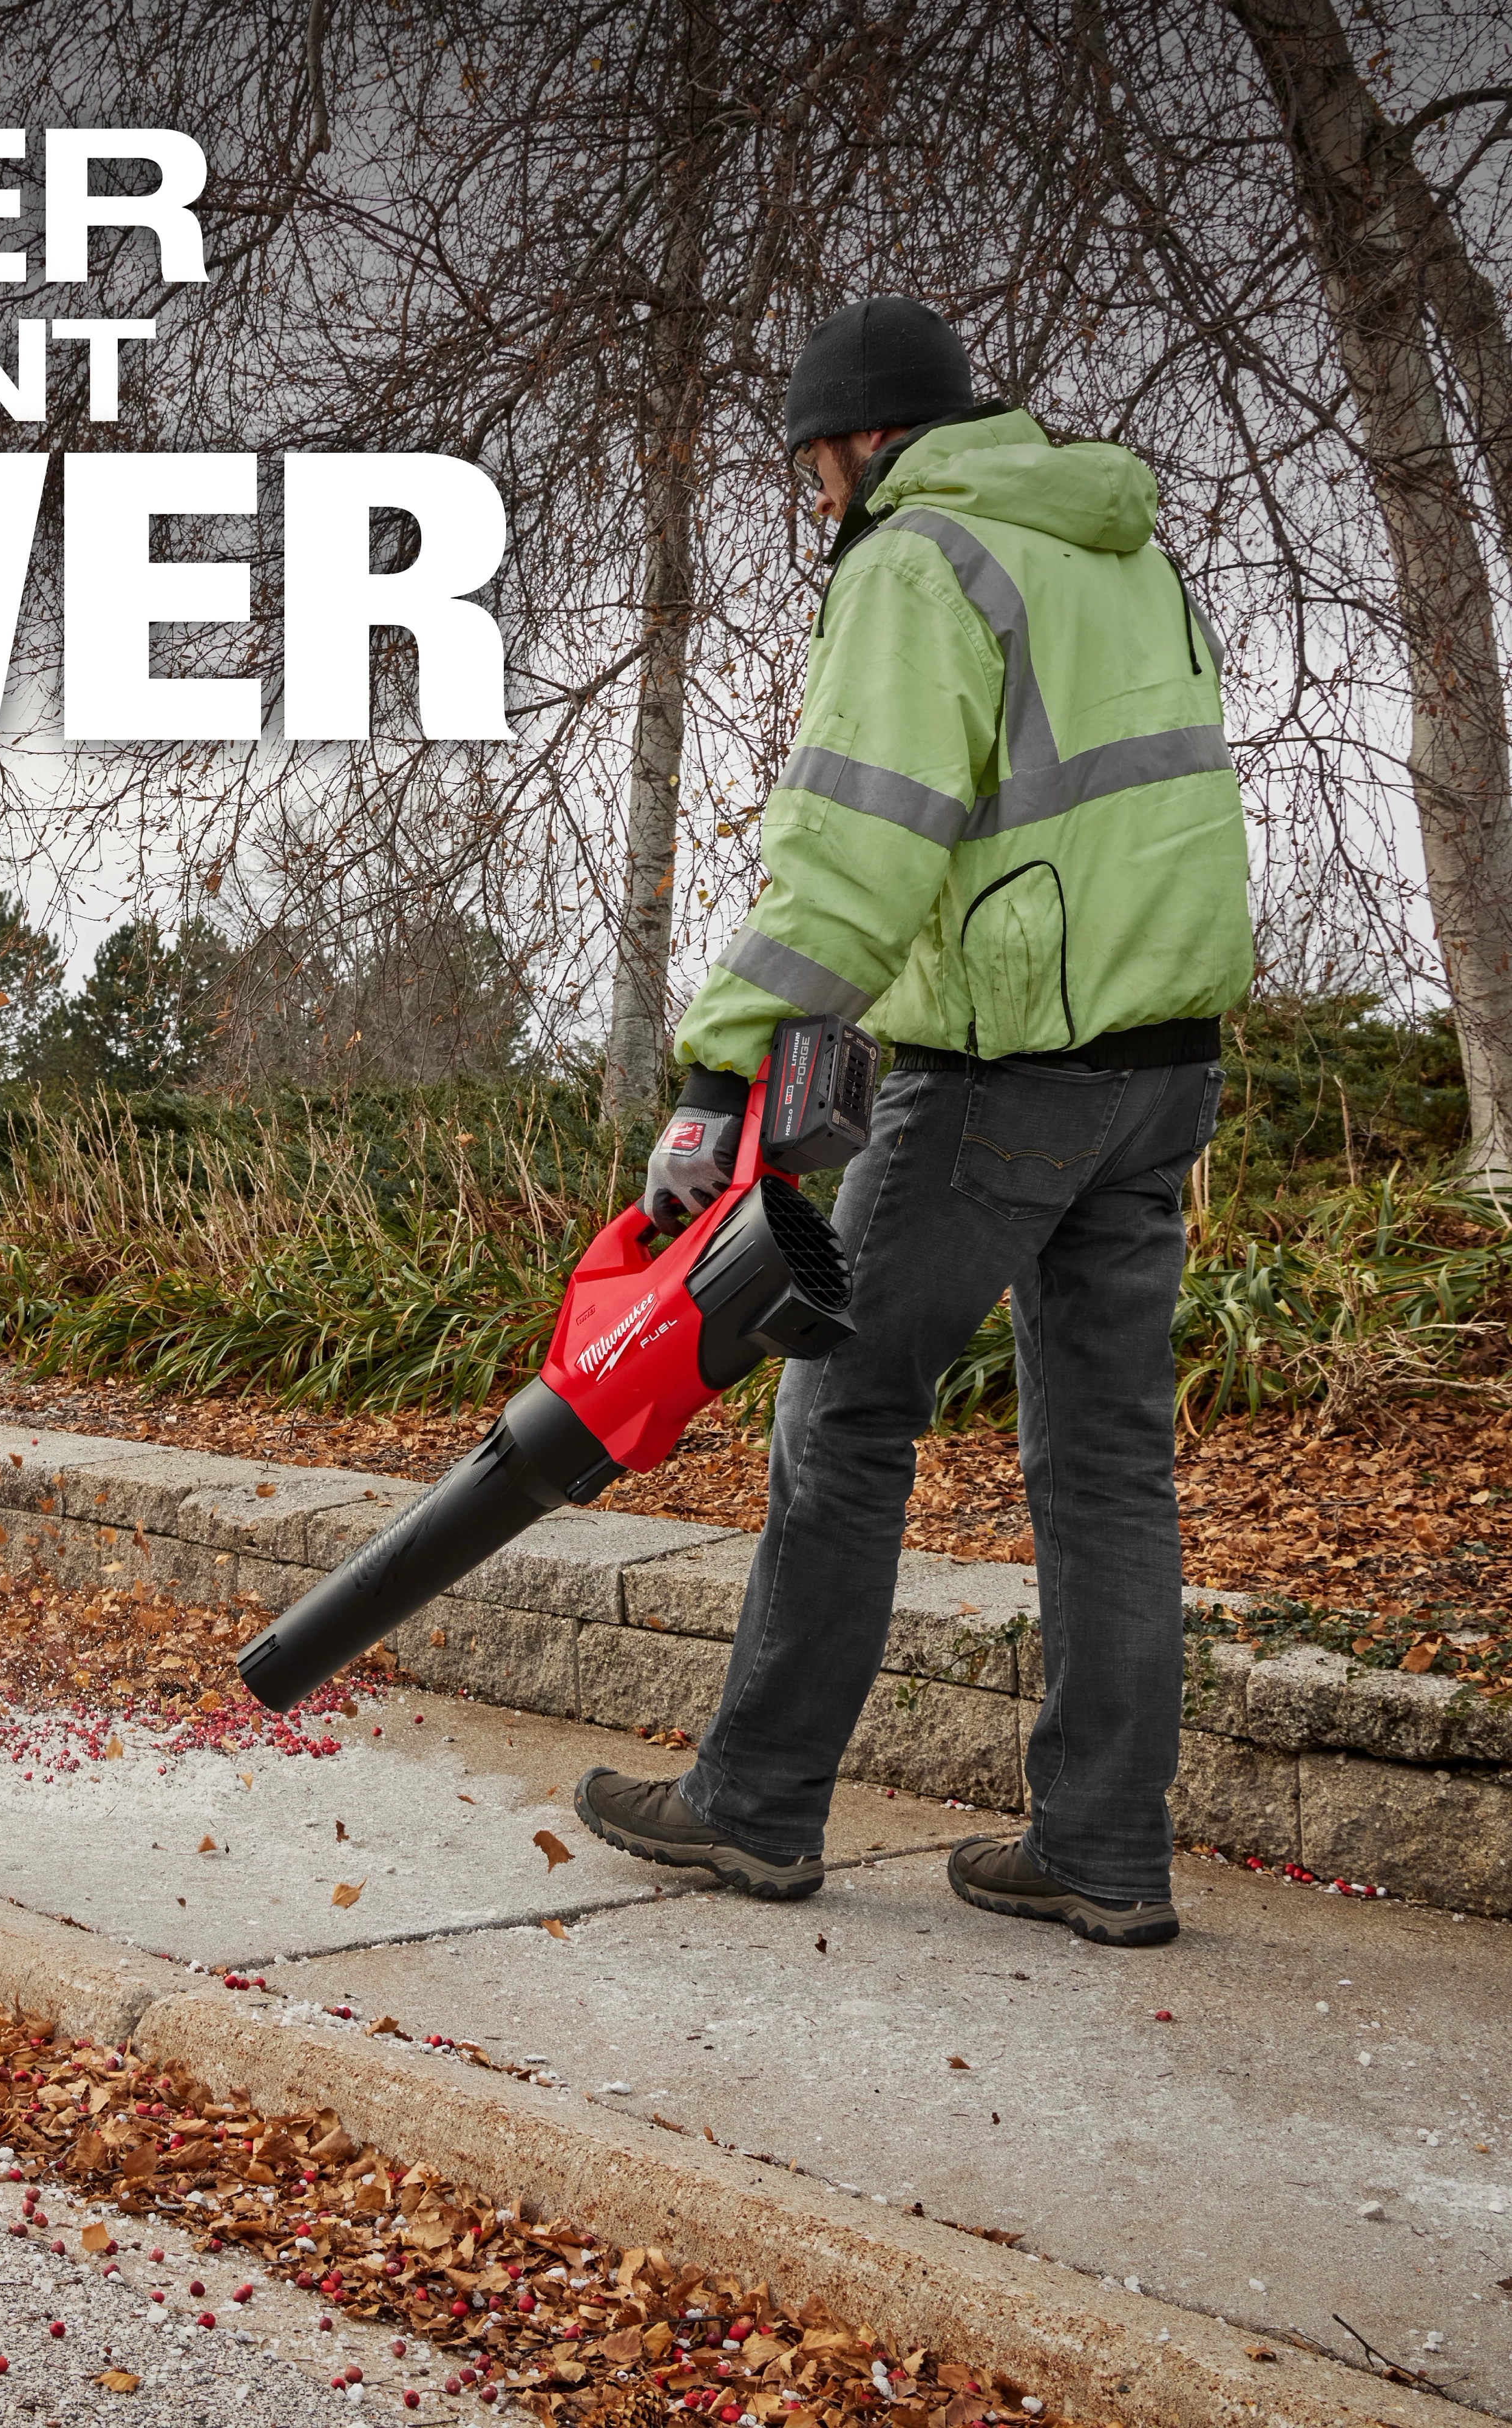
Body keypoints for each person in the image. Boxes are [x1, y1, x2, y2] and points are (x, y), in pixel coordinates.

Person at [571, 296, 1250, 1948]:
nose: (816, 509)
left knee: (845, 1406)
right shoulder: (1115, 548)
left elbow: (857, 846)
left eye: (813, 477)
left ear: (856, 446)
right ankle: (1102, 1848)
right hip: (1166, 1069)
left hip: (1010, 1069)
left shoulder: (917, 557)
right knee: (1105, 1465)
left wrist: (725, 1072)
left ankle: (755, 1805)